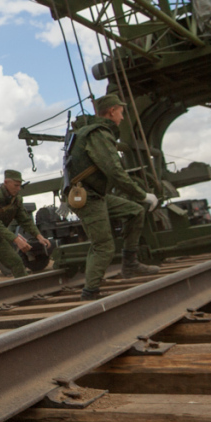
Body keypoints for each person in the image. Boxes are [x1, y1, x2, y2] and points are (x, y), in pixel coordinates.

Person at [64, 93, 160, 300]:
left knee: (134, 211)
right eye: (121, 112)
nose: (123, 118)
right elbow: (114, 172)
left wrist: (138, 198)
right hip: (87, 197)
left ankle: (130, 264)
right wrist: (142, 194)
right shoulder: (98, 133)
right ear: (112, 111)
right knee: (104, 246)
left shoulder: (92, 132)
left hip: (94, 194)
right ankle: (90, 293)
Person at [0, 170, 51, 287]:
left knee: (16, 263)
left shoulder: (16, 200)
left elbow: (25, 220)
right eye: (15, 185)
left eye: (19, 185)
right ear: (6, 182)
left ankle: (26, 293)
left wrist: (39, 236)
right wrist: (16, 240)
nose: (18, 189)